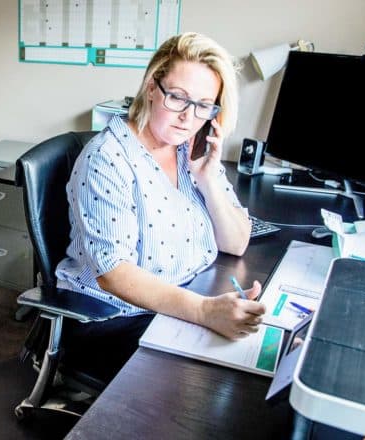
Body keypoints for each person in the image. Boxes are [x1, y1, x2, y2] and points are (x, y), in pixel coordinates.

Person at [55, 32, 266, 382]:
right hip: (111, 320)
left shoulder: (190, 151)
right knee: (218, 383)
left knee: (255, 358)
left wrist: (209, 178)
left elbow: (236, 242)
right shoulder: (108, 158)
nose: (188, 117)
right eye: (178, 98)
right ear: (152, 87)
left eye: (203, 105)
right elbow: (113, 273)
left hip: (183, 299)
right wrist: (205, 311)